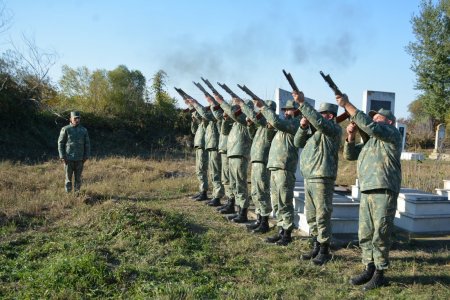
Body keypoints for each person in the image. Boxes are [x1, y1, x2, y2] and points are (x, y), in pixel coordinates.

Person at [337, 94, 402, 291]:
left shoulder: (391, 134)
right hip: (366, 190)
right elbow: (349, 155)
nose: (373, 120)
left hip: (383, 189)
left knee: (380, 233)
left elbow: (372, 127)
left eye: (378, 118)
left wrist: (347, 105)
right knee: (365, 233)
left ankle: (380, 273)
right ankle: (369, 267)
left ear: (389, 122)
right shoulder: (370, 142)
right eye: (372, 117)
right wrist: (351, 135)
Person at [293, 92, 342, 265]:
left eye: (322, 114)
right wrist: (302, 127)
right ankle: (315, 245)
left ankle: (324, 249)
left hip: (322, 177)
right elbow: (297, 142)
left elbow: (321, 123)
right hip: (310, 177)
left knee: (322, 215)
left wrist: (302, 104)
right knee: (312, 215)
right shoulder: (315, 133)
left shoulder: (333, 130)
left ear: (330, 116)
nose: (319, 117)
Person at [255, 99, 300, 245]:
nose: (287, 112)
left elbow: (278, 122)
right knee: (276, 202)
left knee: (284, 201)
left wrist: (263, 109)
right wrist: (269, 128)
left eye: (290, 110)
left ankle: (287, 234)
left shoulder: (295, 123)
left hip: (284, 168)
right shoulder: (282, 126)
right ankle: (280, 230)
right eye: (285, 110)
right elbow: (269, 138)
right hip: (274, 167)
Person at [240, 99, 277, 233]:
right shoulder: (262, 126)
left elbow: (267, 136)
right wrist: (250, 126)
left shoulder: (271, 124)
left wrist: (243, 106)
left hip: (263, 161)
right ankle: (259, 219)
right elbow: (252, 137)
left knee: (262, 191)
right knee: (255, 192)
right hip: (256, 160)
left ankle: (264, 222)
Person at [216, 96, 252, 223]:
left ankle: (243, 212)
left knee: (240, 184)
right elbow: (224, 131)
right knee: (234, 184)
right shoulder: (236, 122)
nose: (236, 110)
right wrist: (225, 119)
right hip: (232, 155)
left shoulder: (245, 119)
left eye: (239, 107)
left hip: (240, 155)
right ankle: (237, 209)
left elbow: (237, 114)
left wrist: (221, 102)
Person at [188, 98, 225, 205]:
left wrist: (194, 105)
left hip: (213, 147)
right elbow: (194, 131)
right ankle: (203, 191)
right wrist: (194, 119)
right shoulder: (204, 122)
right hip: (205, 146)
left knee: (215, 172)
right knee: (200, 169)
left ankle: (216, 195)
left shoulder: (214, 119)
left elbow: (206, 115)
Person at [58, 111, 90, 193]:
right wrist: (62, 156)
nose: (77, 120)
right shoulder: (65, 129)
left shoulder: (84, 130)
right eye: (75, 118)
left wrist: (86, 156)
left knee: (78, 178)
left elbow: (87, 144)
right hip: (68, 158)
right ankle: (68, 194)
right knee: (68, 178)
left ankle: (77, 193)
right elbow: (60, 143)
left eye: (78, 118)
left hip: (80, 158)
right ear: (71, 119)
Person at [190, 107, 209, 201]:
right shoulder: (201, 124)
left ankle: (204, 192)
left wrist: (194, 110)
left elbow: (201, 115)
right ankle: (201, 190)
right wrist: (193, 121)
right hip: (198, 147)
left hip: (203, 147)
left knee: (201, 169)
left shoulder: (206, 122)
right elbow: (193, 131)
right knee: (198, 170)